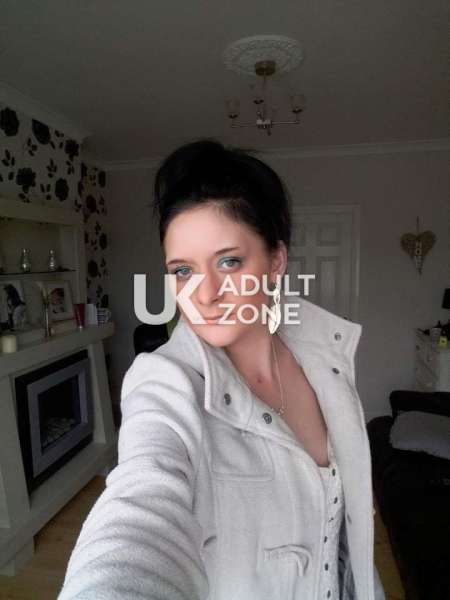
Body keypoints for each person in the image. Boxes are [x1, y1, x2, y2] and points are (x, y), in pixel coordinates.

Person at [58, 139, 386, 600]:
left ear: (276, 262)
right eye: (183, 271)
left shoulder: (322, 356)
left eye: (229, 262)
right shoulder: (166, 382)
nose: (204, 293)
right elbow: (141, 505)